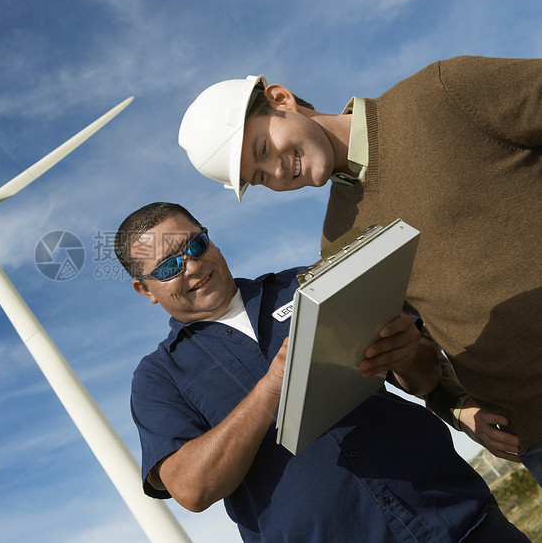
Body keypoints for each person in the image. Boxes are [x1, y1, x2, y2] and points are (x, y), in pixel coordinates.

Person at [177, 56, 542, 483]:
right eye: (259, 177)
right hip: (532, 429)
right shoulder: (338, 243)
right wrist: (458, 407)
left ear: (281, 99)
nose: (276, 171)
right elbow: (407, 347)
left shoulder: (442, 93)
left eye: (262, 149)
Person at [115, 202, 529, 542]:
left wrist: (407, 353)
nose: (191, 265)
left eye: (197, 245)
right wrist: (272, 387)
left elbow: (422, 377)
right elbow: (192, 489)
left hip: (455, 517)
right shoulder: (157, 377)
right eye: (168, 267)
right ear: (145, 290)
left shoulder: (308, 284)